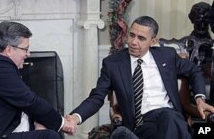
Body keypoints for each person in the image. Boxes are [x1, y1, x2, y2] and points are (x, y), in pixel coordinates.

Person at [66, 16, 214, 139]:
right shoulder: (113, 64)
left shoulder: (167, 56)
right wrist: (76, 117)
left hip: (170, 120)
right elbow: (97, 97)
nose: (133, 42)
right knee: (171, 123)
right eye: (131, 35)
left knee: (169, 117)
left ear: (153, 41)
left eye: (141, 38)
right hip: (141, 124)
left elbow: (194, 70)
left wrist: (200, 99)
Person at [0, 21, 77, 139]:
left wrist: (39, 122)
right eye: (25, 49)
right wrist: (63, 123)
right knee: (49, 136)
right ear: (9, 50)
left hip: (4, 129)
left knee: (48, 133)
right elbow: (29, 100)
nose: (28, 54)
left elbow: (23, 102)